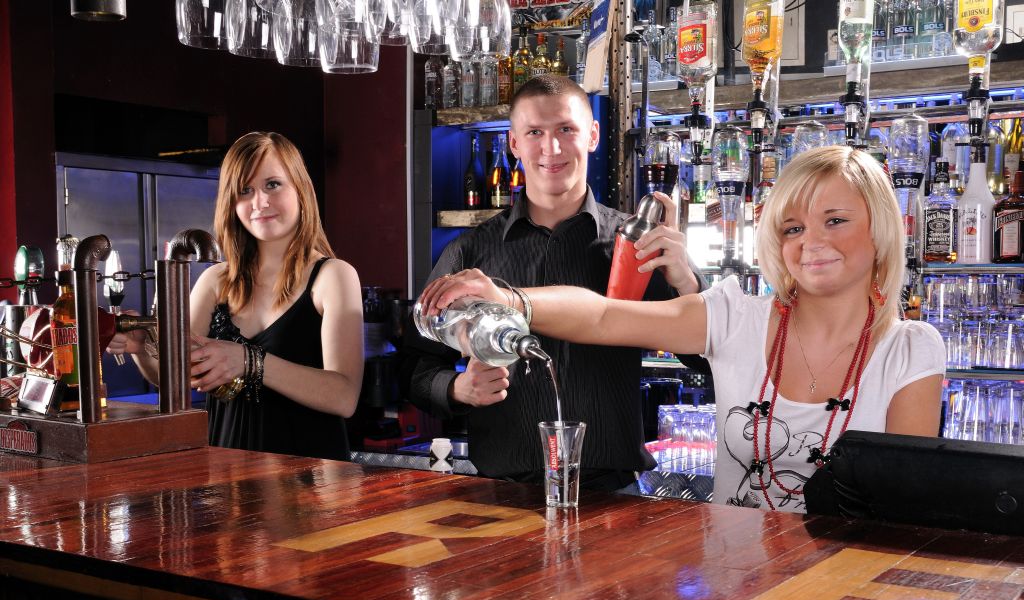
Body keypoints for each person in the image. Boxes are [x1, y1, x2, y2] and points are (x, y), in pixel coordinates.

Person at [418, 145, 946, 513]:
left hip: (840, 592)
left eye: (835, 220)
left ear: (879, 229)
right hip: (733, 592)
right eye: (793, 227)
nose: (811, 241)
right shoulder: (736, 318)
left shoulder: (909, 351)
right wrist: (510, 299)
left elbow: (903, 506)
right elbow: (604, 315)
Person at [401, 75, 706, 492]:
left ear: (592, 135)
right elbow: (415, 369)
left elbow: (710, 362)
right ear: (514, 143)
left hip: (613, 493)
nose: (552, 148)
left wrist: (686, 283)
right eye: (535, 133)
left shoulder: (641, 245)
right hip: (502, 492)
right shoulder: (468, 253)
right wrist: (457, 388)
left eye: (566, 129)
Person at [108, 131, 364, 459]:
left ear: (301, 188)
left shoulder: (333, 276)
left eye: (273, 184)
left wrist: (248, 361)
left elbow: (344, 397)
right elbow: (174, 377)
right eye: (245, 190)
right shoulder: (216, 281)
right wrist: (143, 347)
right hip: (227, 469)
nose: (260, 202)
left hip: (309, 476)